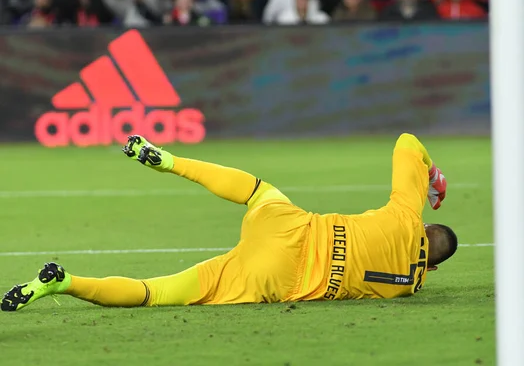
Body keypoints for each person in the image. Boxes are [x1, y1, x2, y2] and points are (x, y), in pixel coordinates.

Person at [1, 133, 455, 311]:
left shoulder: (404, 215)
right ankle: (64, 283)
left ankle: (169, 161)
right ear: (431, 268)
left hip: (291, 229)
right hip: (276, 278)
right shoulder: (405, 285)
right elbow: (417, 266)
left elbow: (406, 142)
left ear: (425, 227)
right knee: (157, 292)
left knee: (259, 190)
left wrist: (431, 176)